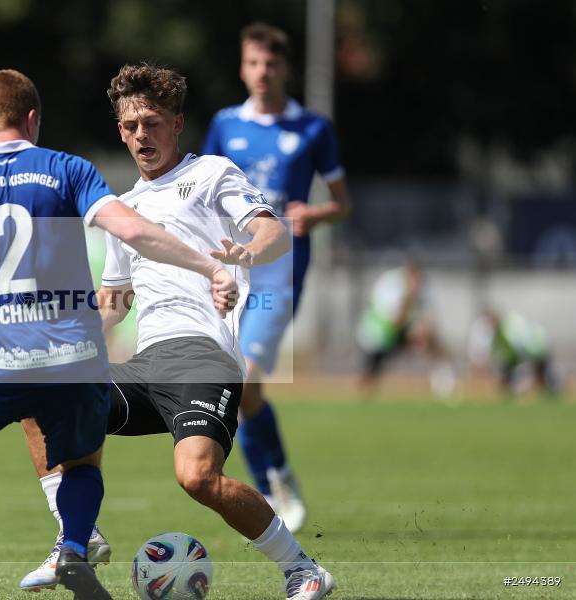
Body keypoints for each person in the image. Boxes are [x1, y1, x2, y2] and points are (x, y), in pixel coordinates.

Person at [0, 69, 239, 600]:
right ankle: (75, 549)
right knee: (81, 456)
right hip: (70, 351)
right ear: (33, 119)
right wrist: (210, 267)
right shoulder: (68, 169)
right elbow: (133, 230)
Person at [20, 63, 336, 600]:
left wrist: (245, 254)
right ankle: (76, 535)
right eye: (131, 126)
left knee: (197, 478)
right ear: (120, 132)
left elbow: (273, 231)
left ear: (177, 124)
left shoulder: (212, 173)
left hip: (204, 358)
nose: (142, 135)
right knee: (38, 388)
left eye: (153, 123)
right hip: (147, 364)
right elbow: (117, 300)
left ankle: (303, 570)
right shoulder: (124, 209)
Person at [201, 22, 352, 532]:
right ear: (242, 69)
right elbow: (203, 192)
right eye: (252, 63)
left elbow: (342, 204)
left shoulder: (313, 129)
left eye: (270, 63)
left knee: (242, 377)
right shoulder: (225, 125)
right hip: (230, 272)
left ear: (285, 67)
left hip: (279, 276)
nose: (261, 72)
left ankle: (271, 482)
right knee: (242, 390)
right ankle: (274, 481)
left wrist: (317, 214)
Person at [356, 261, 455, 397]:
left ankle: (443, 382)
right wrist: (409, 306)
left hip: (398, 333)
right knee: (370, 377)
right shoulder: (391, 285)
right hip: (376, 337)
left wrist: (422, 331)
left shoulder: (422, 289)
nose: (418, 286)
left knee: (431, 342)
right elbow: (395, 322)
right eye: (415, 282)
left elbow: (429, 319)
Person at [468, 308, 560, 397]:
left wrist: (524, 371)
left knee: (545, 378)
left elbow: (522, 347)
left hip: (538, 348)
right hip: (518, 356)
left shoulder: (509, 328)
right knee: (507, 377)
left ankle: (552, 389)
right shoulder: (496, 334)